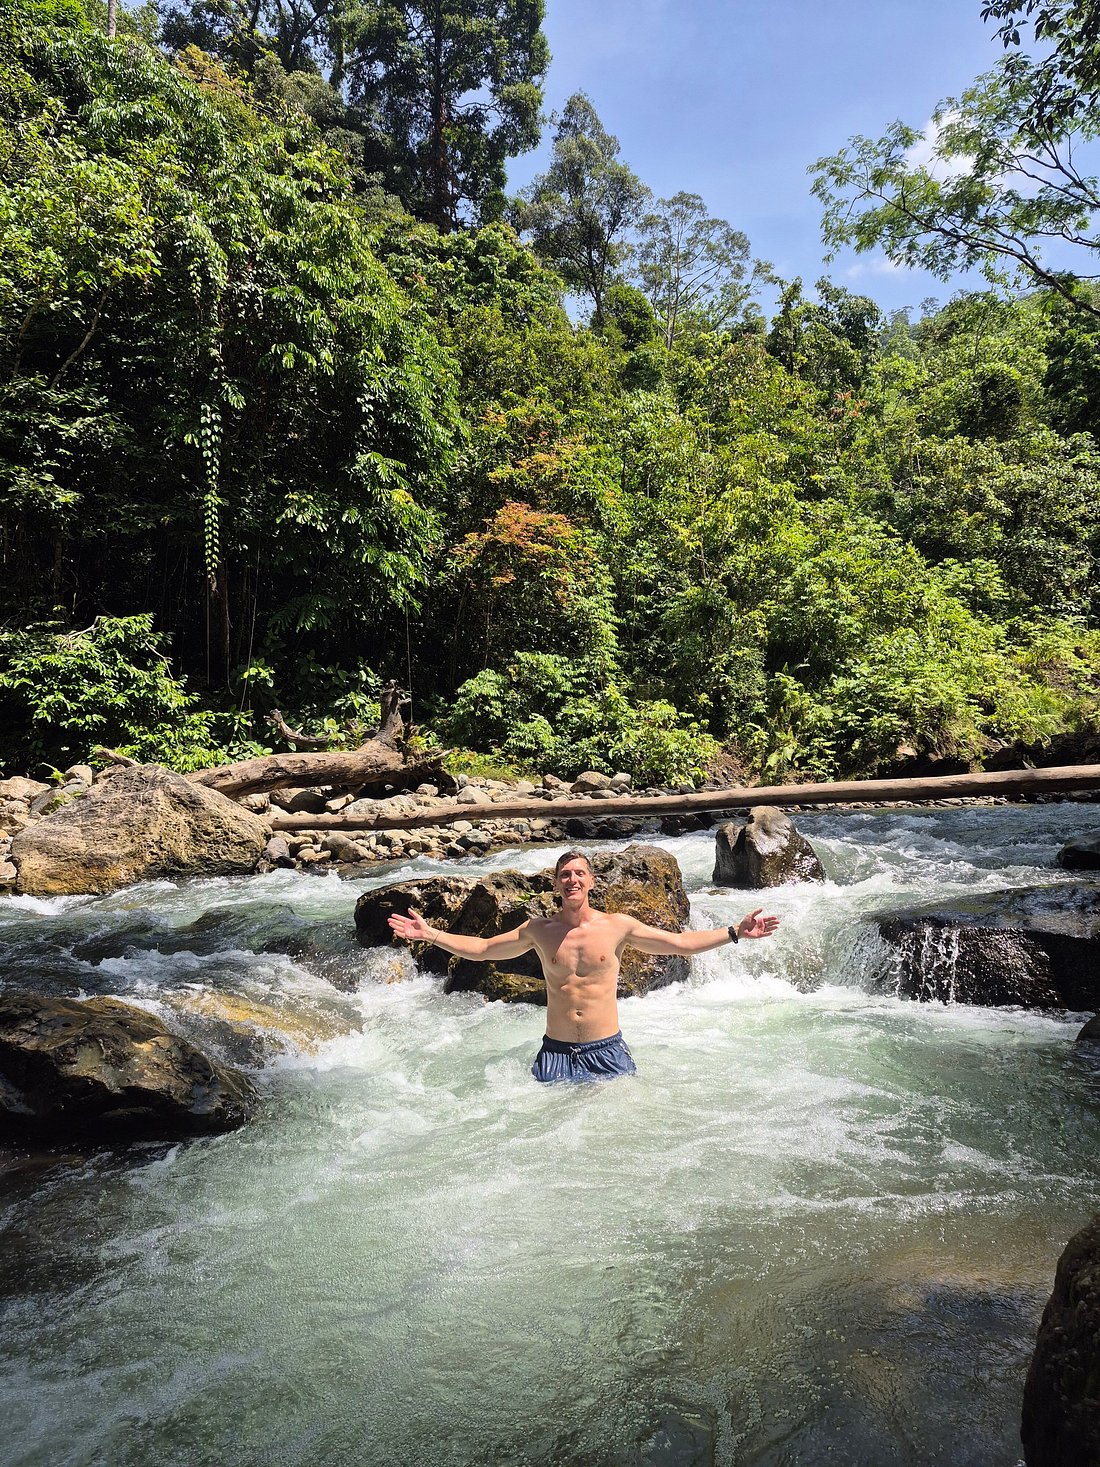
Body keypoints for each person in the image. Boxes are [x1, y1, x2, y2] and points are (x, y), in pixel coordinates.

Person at [387, 849, 780, 1084]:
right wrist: (430, 934)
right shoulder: (538, 930)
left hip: (606, 1050)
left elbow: (679, 944)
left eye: (579, 874)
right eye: (564, 875)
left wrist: (735, 932)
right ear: (556, 885)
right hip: (555, 1053)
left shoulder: (617, 926)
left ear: (591, 882)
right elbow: (484, 949)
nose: (572, 879)